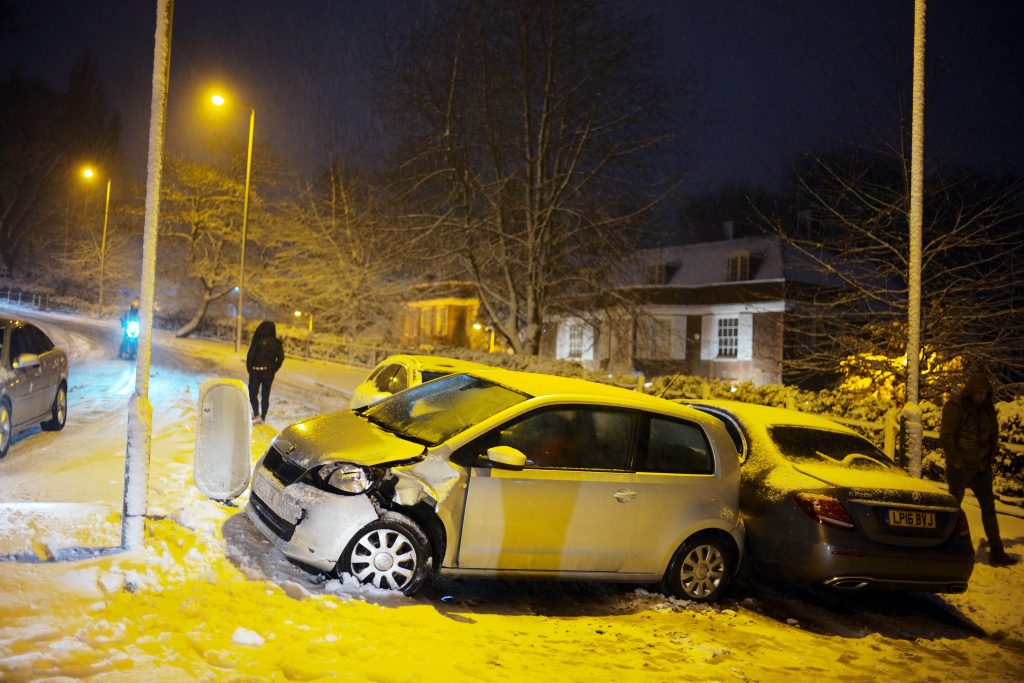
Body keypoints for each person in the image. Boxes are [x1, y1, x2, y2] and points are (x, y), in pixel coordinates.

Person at [940, 372, 1017, 566]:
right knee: (953, 508)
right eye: (978, 393)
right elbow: (947, 436)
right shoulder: (956, 407)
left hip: (981, 467)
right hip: (961, 467)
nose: (981, 396)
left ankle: (997, 551)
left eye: (984, 393)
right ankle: (944, 546)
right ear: (971, 392)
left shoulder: (987, 409)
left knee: (989, 508)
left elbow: (993, 435)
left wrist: (987, 460)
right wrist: (956, 462)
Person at [246, 320, 284, 425]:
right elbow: (280, 359)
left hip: (256, 371)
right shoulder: (277, 343)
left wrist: (250, 370)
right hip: (269, 373)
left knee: (252, 394)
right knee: (265, 395)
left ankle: (256, 414)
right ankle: (263, 417)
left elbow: (250, 357)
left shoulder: (257, 341)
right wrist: (273, 369)